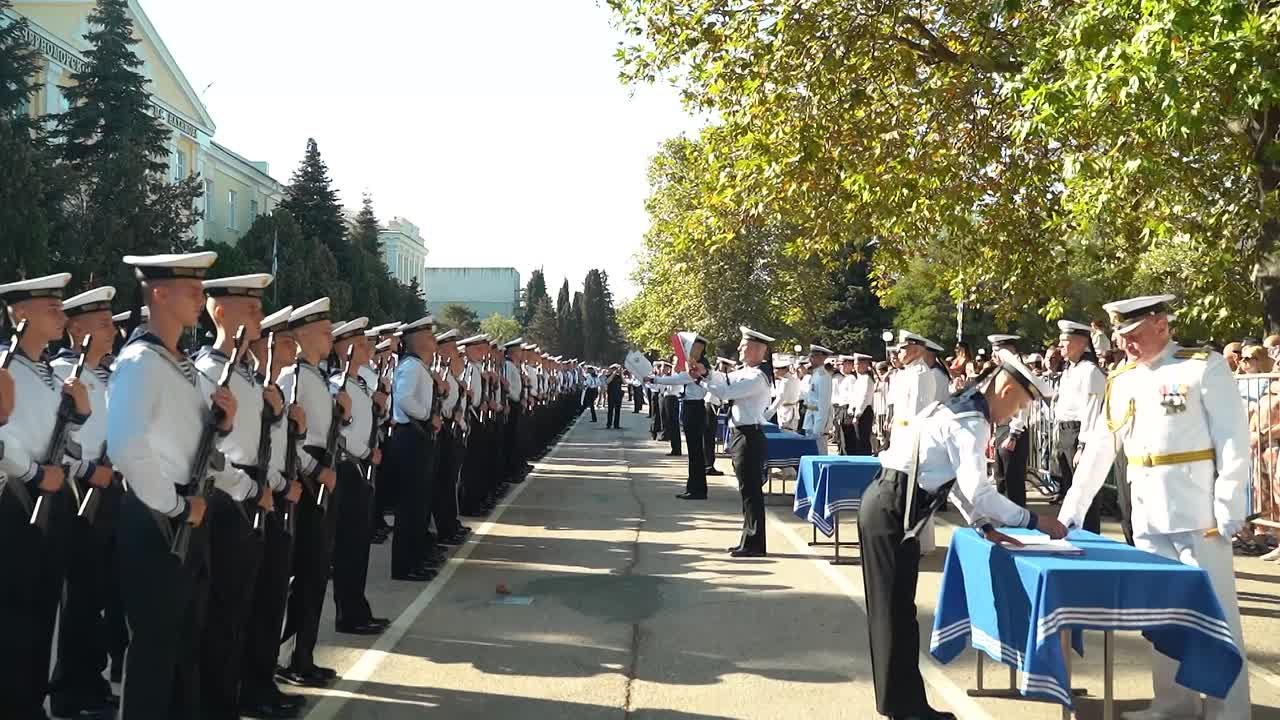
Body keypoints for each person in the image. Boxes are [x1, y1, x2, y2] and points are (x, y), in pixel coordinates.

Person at [1059, 295, 1252, 719]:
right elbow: (1101, 447)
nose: (1125, 344)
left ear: (1161, 325)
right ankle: (1173, 704)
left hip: (1198, 511)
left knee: (1216, 614)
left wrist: (1229, 504)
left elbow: (1233, 440)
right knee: (1163, 615)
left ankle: (1230, 711)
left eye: (1133, 335)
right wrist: (1072, 509)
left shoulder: (1201, 366)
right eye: (1121, 336)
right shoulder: (1123, 378)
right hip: (1146, 511)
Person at [861, 349, 1064, 720]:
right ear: (1006, 390)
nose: (1015, 415)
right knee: (892, 614)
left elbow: (952, 482)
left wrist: (982, 525)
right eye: (1019, 405)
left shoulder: (958, 409)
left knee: (898, 612)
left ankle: (906, 704)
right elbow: (978, 491)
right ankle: (903, 708)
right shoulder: (972, 421)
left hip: (890, 504)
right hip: (893, 507)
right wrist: (1034, 521)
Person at [108, 253, 238, 718]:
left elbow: (192, 439)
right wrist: (176, 506)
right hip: (157, 518)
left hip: (186, 511)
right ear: (160, 294)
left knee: (185, 645)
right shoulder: (140, 362)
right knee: (155, 651)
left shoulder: (179, 363)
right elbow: (125, 446)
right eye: (193, 290)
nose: (202, 298)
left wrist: (223, 423)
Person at [0, 273, 92, 719]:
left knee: (42, 610)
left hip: (53, 500)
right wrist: (34, 472)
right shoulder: (4, 367)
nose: (61, 313)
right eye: (50, 307)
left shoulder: (52, 376)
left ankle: (31, 702)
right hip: (16, 501)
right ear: (19, 314)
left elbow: (63, 442)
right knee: (15, 616)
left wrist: (80, 415)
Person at [193, 274, 279, 719]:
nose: (260, 315)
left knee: (246, 605)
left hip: (251, 490)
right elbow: (209, 452)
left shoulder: (245, 372)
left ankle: (242, 694)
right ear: (222, 313)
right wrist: (249, 489)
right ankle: (218, 704)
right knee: (223, 612)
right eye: (251, 308)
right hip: (227, 496)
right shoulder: (210, 372)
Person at [48, 285, 123, 719]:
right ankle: (69, 691)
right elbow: (55, 441)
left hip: (110, 488)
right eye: (103, 324)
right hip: (82, 491)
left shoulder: (107, 376)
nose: (112, 332)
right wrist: (86, 470)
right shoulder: (62, 373)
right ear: (76, 330)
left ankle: (92, 681)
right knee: (80, 596)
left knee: (100, 594)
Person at [239, 306, 308, 720]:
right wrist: (279, 486)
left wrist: (296, 426)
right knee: (253, 600)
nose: (292, 347)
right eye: (284, 341)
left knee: (272, 597)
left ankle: (263, 682)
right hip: (257, 497)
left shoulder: (276, 390)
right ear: (261, 345)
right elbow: (247, 452)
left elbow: (283, 447)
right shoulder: (256, 387)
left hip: (280, 495)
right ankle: (250, 688)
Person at [276, 298, 344, 688]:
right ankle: (290, 657)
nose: (330, 336)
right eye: (323, 331)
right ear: (302, 335)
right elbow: (289, 440)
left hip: (323, 472)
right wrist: (317, 471)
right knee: (304, 572)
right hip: (308, 478)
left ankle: (304, 655)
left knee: (317, 572)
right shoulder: (294, 378)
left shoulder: (318, 377)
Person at [328, 317, 392, 637]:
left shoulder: (360, 384)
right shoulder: (336, 385)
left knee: (359, 544)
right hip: (348, 469)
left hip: (362, 468)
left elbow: (368, 423)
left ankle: (358, 608)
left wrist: (380, 409)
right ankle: (349, 614)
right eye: (361, 344)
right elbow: (339, 433)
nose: (368, 349)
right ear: (347, 349)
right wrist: (366, 453)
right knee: (349, 546)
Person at [700, 327, 775, 557]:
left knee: (751, 491)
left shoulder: (757, 377)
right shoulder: (746, 372)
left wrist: (702, 379)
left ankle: (755, 543)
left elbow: (725, 392)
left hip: (749, 436)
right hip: (741, 435)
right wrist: (705, 372)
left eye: (744, 345)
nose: (739, 348)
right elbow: (722, 379)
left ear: (757, 349)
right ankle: (748, 539)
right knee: (746, 490)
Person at [387, 317, 444, 583]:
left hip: (417, 437)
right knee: (410, 506)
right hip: (411, 436)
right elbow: (404, 398)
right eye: (429, 336)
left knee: (419, 504)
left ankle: (415, 559)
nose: (434, 340)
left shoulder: (418, 366)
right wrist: (427, 416)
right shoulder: (411, 366)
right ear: (419, 341)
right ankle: (405, 565)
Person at [1051, 320, 1106, 534]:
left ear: (1080, 343)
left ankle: (1090, 535)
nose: (1060, 345)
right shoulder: (1069, 370)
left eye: (1064, 341)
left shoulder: (1090, 371)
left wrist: (1083, 446)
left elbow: (1091, 411)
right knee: (1070, 490)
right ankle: (1073, 533)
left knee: (1084, 491)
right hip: (1065, 432)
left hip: (1080, 433)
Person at [653, 334, 712, 499]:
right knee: (693, 452)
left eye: (694, 348)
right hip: (690, 407)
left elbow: (680, 379)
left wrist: (655, 379)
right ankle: (693, 487)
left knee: (695, 452)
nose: (691, 352)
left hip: (695, 408)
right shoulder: (694, 366)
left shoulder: (700, 367)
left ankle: (697, 490)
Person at [989, 334, 1030, 508]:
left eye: (997, 351)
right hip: (1002, 428)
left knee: (1013, 481)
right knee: (1001, 478)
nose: (993, 355)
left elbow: (1023, 407)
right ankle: (1005, 517)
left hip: (1013, 430)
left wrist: (1014, 434)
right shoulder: (1002, 372)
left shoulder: (1018, 373)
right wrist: (995, 433)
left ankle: (1016, 519)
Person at [801, 345, 836, 454]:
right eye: (811, 356)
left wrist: (819, 427)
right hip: (811, 417)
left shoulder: (823, 376)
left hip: (817, 419)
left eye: (814, 356)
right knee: (811, 451)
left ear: (822, 358)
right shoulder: (815, 374)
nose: (811, 359)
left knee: (820, 451)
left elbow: (823, 403)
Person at [605, 363, 625, 429]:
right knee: (610, 410)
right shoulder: (608, 375)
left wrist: (621, 374)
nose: (616, 370)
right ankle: (609, 424)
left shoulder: (619, 376)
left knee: (617, 410)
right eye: (614, 369)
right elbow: (607, 381)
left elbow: (624, 382)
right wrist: (613, 374)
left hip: (618, 394)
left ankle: (616, 424)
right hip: (611, 394)